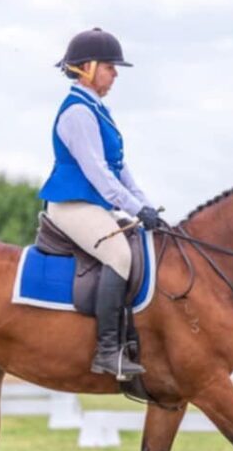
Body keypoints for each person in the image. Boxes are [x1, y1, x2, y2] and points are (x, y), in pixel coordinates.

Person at [39, 27, 162, 379]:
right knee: (120, 255)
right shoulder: (77, 112)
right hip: (71, 205)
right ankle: (107, 352)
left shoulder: (97, 110)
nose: (115, 73)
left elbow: (120, 169)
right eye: (109, 66)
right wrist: (135, 210)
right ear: (88, 68)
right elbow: (98, 174)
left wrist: (147, 205)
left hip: (93, 204)